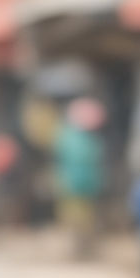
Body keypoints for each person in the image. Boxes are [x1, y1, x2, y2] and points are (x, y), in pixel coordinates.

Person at [54, 98, 105, 257]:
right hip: (77, 184)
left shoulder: (68, 136)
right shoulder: (78, 138)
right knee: (79, 218)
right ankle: (80, 249)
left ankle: (80, 248)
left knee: (80, 217)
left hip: (77, 184)